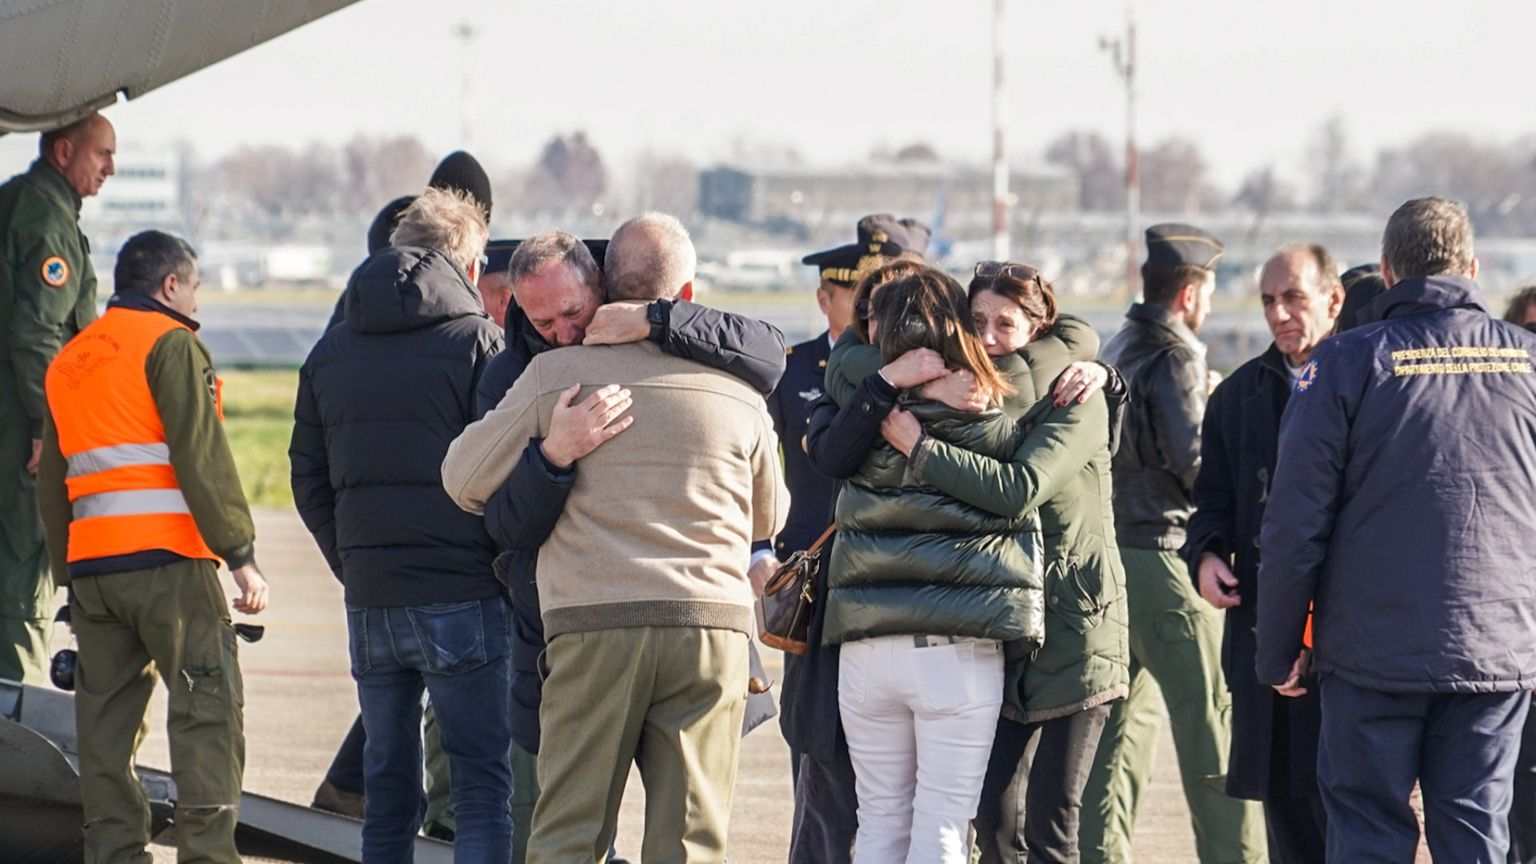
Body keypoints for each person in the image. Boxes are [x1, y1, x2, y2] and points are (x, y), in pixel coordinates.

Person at [443, 212, 789, 863]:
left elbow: (461, 478)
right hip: (709, 628)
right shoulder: (739, 390)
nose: (560, 332)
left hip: (592, 618)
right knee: (691, 840)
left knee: (569, 834)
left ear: (604, 283)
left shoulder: (553, 376)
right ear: (685, 296)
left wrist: (551, 450)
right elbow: (769, 516)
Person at [1259, 197, 1536, 863]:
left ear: (1386, 272)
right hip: (1495, 650)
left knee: (1367, 833)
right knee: (1475, 834)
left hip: (1371, 653)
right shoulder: (1527, 361)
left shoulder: (1346, 365)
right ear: (1472, 267)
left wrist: (1278, 647)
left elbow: (1295, 523)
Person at [289, 186, 513, 862]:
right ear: (469, 268)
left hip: (372, 598)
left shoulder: (331, 351)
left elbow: (307, 476)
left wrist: (353, 560)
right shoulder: (479, 342)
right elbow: (504, 467)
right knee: (480, 787)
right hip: (464, 593)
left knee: (387, 790)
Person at [35, 229, 268, 863]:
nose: (198, 301)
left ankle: (114, 856)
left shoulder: (69, 362)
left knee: (103, 735)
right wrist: (240, 554)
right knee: (205, 716)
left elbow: (52, 487)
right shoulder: (170, 344)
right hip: (170, 566)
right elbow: (202, 455)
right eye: (194, 287)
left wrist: (69, 577)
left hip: (95, 574)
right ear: (170, 285)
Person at [804, 266, 1046, 864]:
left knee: (882, 820)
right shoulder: (991, 415)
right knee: (942, 825)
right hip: (955, 650)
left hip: (863, 649)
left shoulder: (852, 421)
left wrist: (894, 384)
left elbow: (843, 369)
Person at [1082, 223, 1264, 864]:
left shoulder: (1119, 343)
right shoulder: (1179, 354)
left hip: (1114, 561)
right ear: (1190, 293)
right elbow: (1196, 463)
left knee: (1116, 741)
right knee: (1214, 742)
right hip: (1170, 558)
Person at [762, 213, 930, 864]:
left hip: (894, 593)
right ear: (831, 298)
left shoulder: (939, 375)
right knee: (819, 762)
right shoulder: (804, 369)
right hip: (814, 578)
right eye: (866, 296)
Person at [1186, 245, 1346, 864]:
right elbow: (1211, 503)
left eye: (1293, 298)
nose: (1279, 314)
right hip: (1263, 639)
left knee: (1347, 812)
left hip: (1344, 642)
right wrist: (1205, 557)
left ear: (1332, 300)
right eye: (1268, 301)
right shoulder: (1238, 396)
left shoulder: (1366, 382)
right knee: (1284, 811)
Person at [0, 112, 115, 684]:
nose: (111, 169)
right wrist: (53, 425)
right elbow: (38, 334)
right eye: (102, 155)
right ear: (64, 152)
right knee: (25, 561)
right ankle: (13, 711)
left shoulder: (22, 201)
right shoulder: (46, 217)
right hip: (24, 422)